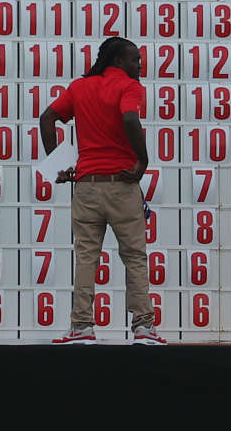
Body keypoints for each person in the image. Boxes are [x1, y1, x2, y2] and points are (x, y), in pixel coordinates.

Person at [37, 36, 161, 345]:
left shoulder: (80, 87)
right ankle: (144, 327)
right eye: (135, 60)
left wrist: (56, 166)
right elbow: (130, 118)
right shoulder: (130, 87)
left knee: (86, 257)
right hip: (122, 184)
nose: (140, 66)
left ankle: (82, 327)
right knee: (134, 256)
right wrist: (142, 162)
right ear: (119, 61)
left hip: (87, 185)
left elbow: (47, 118)